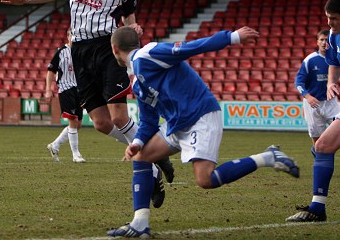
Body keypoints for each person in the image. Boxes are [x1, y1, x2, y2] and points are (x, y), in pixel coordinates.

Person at [0, 0, 173, 204]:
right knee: (102, 124)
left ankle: (151, 163)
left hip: (108, 48)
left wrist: (134, 30)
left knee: (119, 116)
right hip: (79, 51)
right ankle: (157, 154)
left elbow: (129, 19)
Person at [107, 26, 300, 238]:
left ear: (115, 48)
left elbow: (189, 48)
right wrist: (138, 143)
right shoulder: (136, 81)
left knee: (205, 180)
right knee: (142, 157)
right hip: (177, 123)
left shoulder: (148, 54)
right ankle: (140, 224)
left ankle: (268, 157)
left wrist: (232, 37)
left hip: (200, 115)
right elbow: (149, 122)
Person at [286, 0, 340, 223]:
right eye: (327, 18)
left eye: (334, 18)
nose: (329, 23)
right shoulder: (334, 35)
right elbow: (333, 62)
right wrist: (332, 82)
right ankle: (317, 209)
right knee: (322, 146)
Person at [295, 29, 340, 147]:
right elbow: (299, 81)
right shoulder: (310, 60)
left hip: (330, 102)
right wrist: (308, 96)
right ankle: (319, 159)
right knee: (317, 138)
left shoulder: (337, 59)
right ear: (317, 42)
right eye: (321, 40)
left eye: (326, 40)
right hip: (312, 103)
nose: (324, 42)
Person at [45, 28, 85, 163]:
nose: (73, 37)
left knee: (78, 124)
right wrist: (48, 90)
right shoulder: (61, 52)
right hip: (66, 89)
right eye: (71, 34)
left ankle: (55, 145)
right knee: (73, 121)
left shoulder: (82, 52)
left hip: (79, 90)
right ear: (67, 36)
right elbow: (51, 71)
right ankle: (76, 154)